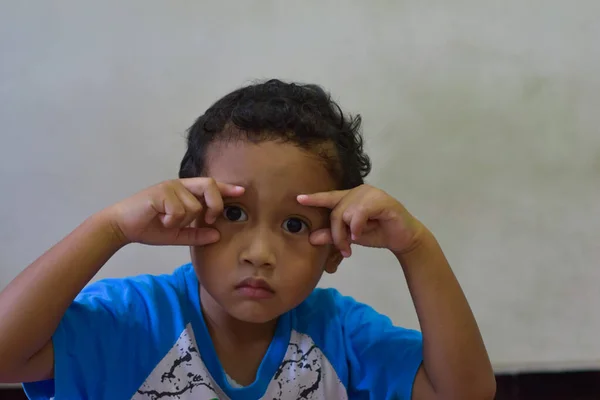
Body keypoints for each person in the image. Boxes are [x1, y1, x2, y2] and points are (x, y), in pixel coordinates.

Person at [0, 79, 496, 399]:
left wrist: (416, 246)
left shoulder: (341, 336)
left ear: (333, 250)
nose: (259, 255)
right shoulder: (132, 321)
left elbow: (465, 394)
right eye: (234, 212)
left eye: (295, 225)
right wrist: (110, 227)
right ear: (191, 219)